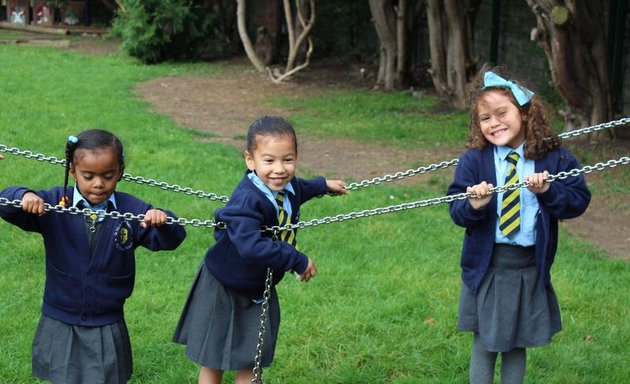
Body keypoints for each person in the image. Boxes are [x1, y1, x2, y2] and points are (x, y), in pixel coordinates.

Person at [0, 129, 187, 384]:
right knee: (63, 376)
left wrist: (163, 221)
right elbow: (5, 204)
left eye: (108, 176)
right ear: (73, 171)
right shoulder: (55, 203)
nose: (98, 184)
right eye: (88, 176)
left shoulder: (131, 210)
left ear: (120, 171)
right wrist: (23, 195)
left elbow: (172, 239)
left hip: (106, 319)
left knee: (106, 378)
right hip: (61, 315)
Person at [173, 116, 347, 384]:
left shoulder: (285, 186)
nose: (279, 169)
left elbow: (300, 188)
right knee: (214, 357)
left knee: (252, 358)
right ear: (250, 160)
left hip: (256, 285)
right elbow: (251, 247)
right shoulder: (247, 200)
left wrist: (324, 185)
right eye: (269, 161)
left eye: (287, 160)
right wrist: (296, 259)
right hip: (224, 284)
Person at [446, 66, 591, 383]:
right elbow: (456, 209)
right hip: (487, 267)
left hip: (527, 266)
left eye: (502, 112)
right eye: (485, 118)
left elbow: (578, 200)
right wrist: (474, 204)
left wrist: (549, 191)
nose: (494, 123)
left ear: (525, 112)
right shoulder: (475, 159)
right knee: (484, 342)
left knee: (516, 344)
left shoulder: (554, 158)